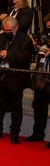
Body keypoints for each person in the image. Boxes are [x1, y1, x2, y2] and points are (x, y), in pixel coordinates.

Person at [0, 17, 34, 144]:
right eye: (4, 29)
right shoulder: (1, 37)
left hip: (16, 78)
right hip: (1, 76)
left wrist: (9, 54)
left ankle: (14, 134)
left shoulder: (25, 39)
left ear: (16, 27)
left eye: (8, 30)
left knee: (16, 107)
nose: (6, 32)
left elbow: (26, 57)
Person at [26, 14, 50, 147]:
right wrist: (35, 46)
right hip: (41, 76)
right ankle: (38, 133)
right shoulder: (43, 37)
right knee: (39, 106)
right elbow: (36, 52)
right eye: (47, 27)